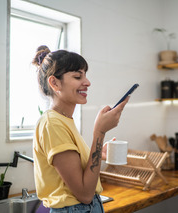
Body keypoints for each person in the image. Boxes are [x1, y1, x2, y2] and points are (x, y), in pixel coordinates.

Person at [32, 45, 129, 213]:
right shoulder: (52, 124)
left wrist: (98, 153)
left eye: (85, 75)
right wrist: (99, 133)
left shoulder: (64, 120)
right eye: (77, 76)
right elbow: (84, 194)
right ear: (54, 82)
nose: (87, 82)